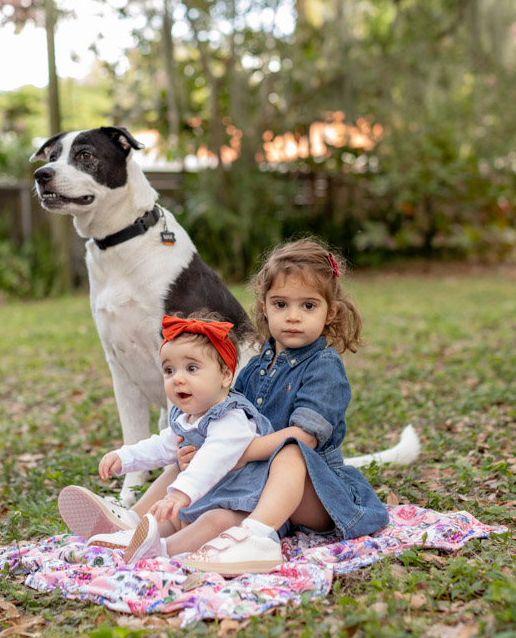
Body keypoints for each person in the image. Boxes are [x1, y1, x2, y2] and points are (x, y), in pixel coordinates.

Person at [61, 238, 390, 574]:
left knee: (291, 449)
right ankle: (137, 527)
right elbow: (225, 418)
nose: (292, 317)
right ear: (264, 307)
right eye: (280, 304)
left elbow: (306, 438)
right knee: (192, 464)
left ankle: (257, 536)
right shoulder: (257, 365)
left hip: (316, 491)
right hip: (258, 487)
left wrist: (236, 452)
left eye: (308, 306)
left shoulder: (323, 365)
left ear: (330, 311)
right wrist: (198, 449)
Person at [66, 311, 308, 568]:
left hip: (239, 507)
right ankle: (132, 536)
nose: (178, 378)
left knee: (214, 522)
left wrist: (180, 494)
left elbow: (212, 459)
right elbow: (161, 446)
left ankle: (163, 550)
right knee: (168, 518)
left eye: (192, 368)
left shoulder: (232, 418)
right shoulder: (187, 418)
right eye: (169, 370)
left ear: (226, 375)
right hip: (199, 500)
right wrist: (124, 458)